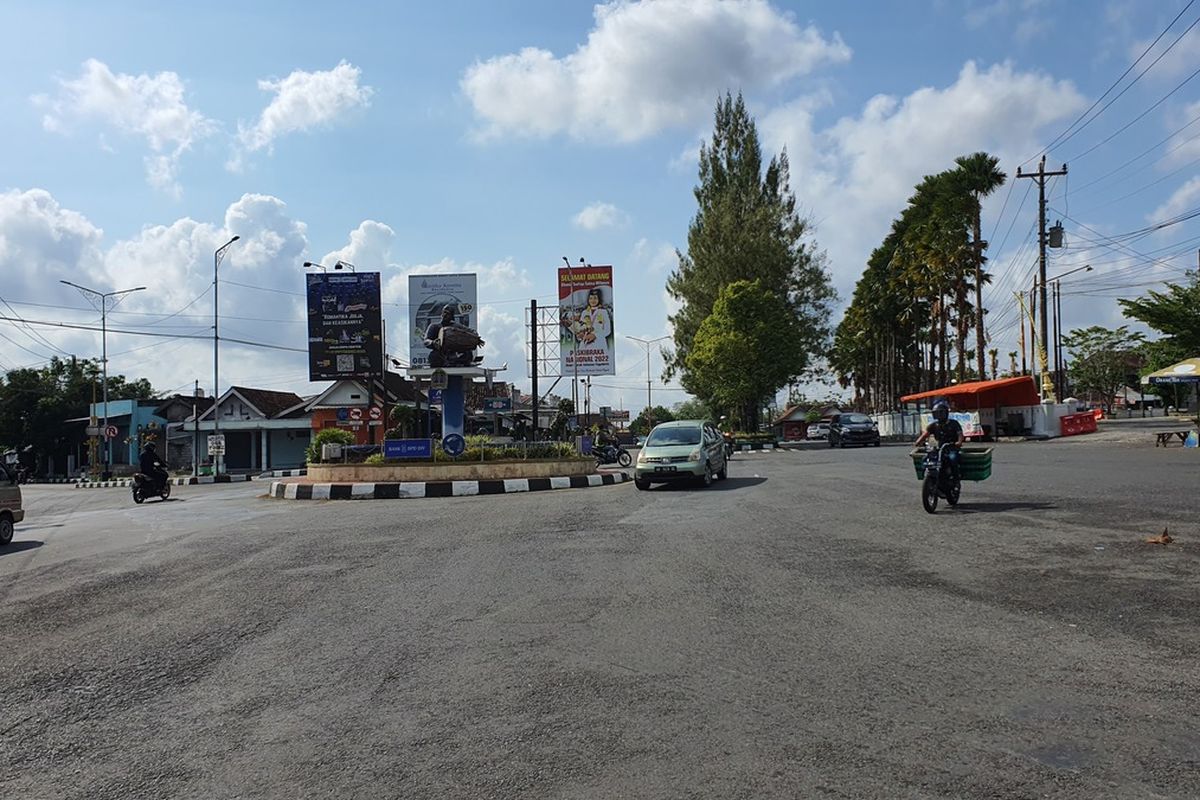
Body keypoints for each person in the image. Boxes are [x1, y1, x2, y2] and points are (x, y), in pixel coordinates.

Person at [914, 399, 965, 479]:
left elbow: (960, 434)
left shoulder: (954, 423)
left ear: (946, 413)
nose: (939, 415)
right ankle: (926, 476)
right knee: (926, 458)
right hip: (939, 448)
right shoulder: (933, 425)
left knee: (953, 458)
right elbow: (924, 435)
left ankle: (956, 478)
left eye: (941, 413)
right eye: (937, 413)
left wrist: (959, 442)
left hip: (952, 447)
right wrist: (918, 442)